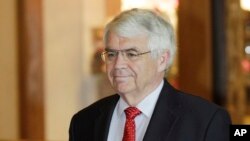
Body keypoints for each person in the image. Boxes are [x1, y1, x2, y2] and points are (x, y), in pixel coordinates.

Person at [69, 8, 231, 141]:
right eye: (112, 54)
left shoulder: (206, 120)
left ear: (162, 59)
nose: (118, 65)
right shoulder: (84, 122)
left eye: (131, 54)